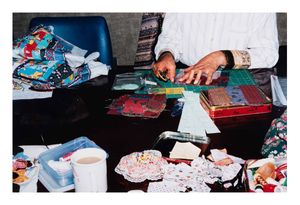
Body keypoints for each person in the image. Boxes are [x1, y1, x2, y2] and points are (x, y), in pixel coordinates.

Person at [152, 13, 279, 94]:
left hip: (237, 77)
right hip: (187, 76)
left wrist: (221, 57)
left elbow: (268, 53)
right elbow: (169, 38)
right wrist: (166, 55)